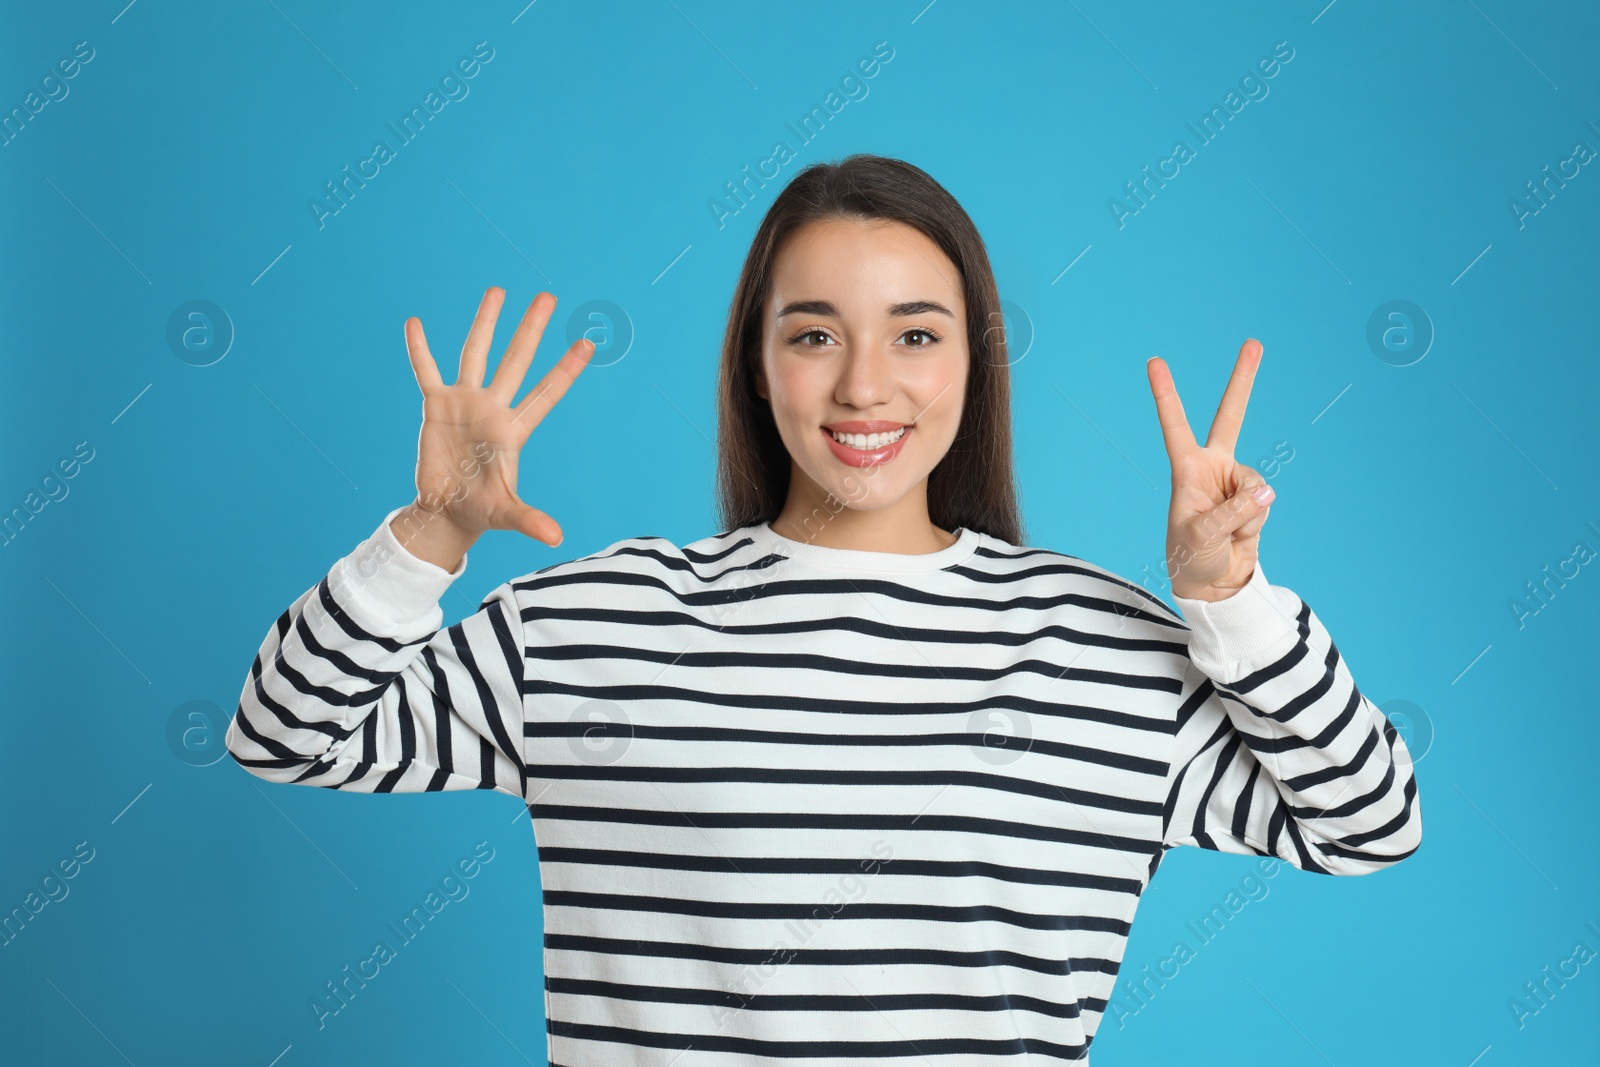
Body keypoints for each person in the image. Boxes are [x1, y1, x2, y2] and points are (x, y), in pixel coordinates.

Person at [227, 154, 1421, 1063]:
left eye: (916, 332)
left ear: (972, 362)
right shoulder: (598, 621)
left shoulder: (1099, 646)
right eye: (813, 334)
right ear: (756, 360)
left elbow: (1366, 823)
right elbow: (287, 733)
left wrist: (1230, 601)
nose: (864, 383)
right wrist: (429, 533)